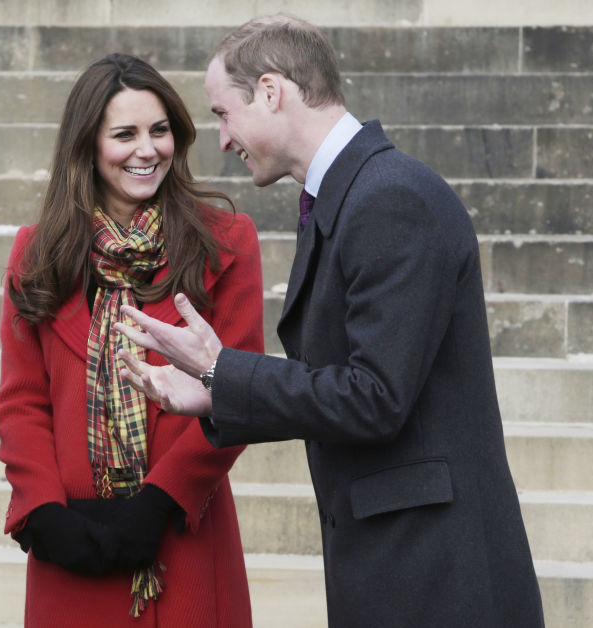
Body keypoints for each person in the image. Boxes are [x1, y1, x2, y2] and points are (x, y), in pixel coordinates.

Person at [115, 15, 545, 627]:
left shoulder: (390, 197)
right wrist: (217, 392)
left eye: (221, 113)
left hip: (437, 578)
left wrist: (221, 370)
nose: (222, 139)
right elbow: (346, 384)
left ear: (271, 91)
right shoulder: (353, 193)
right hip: (399, 565)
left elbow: (375, 397)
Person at [0, 53, 263, 626]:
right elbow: (21, 401)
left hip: (183, 535)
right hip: (72, 546)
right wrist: (43, 513)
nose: (148, 150)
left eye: (159, 130)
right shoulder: (35, 253)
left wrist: (159, 503)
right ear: (87, 144)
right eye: (125, 134)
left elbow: (241, 391)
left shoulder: (228, 241)